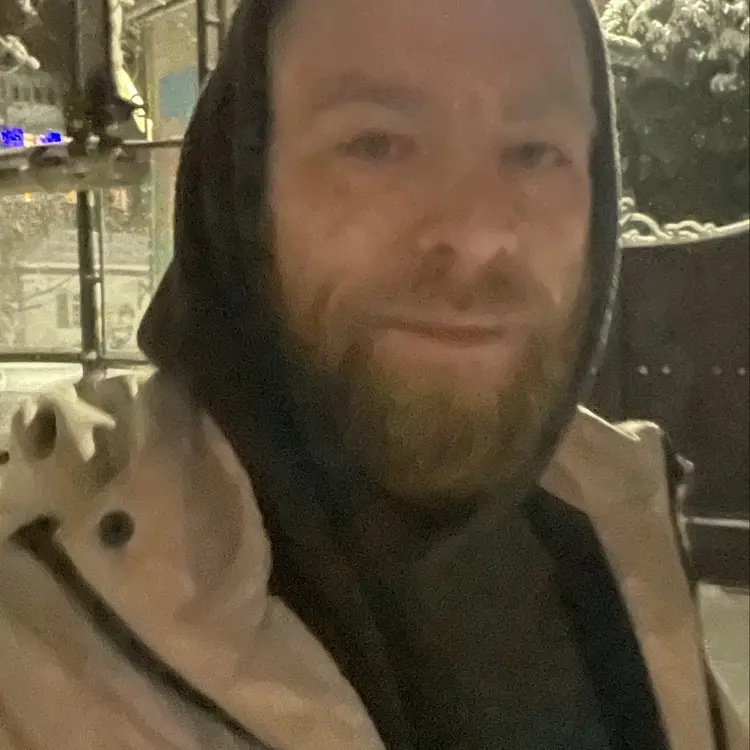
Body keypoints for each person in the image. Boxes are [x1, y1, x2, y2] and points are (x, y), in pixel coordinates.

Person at [0, 0, 745, 748]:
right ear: (242, 188)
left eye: (534, 152)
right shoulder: (44, 615)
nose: (477, 233)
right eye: (377, 144)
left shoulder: (620, 527)